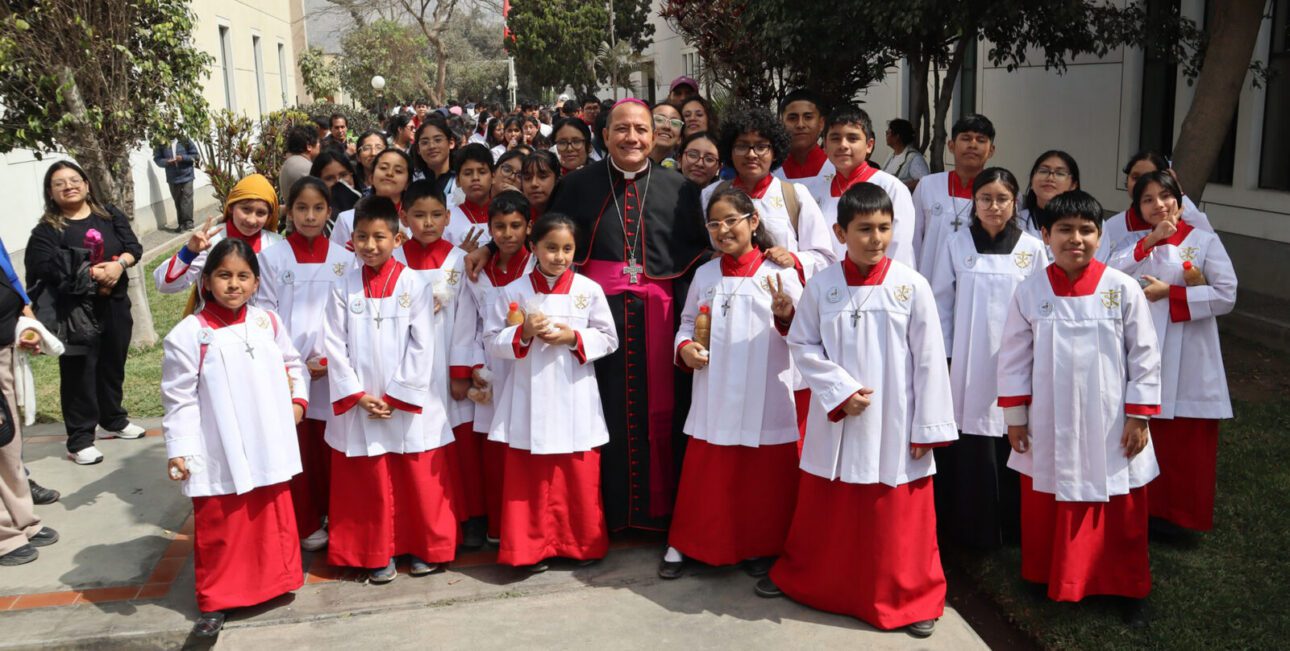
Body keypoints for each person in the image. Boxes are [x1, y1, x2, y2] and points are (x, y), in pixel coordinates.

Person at [469, 99, 711, 532]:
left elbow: (704, 247)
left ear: (654, 136)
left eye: (641, 129)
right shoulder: (579, 184)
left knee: (662, 410)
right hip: (592, 314)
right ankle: (608, 512)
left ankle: (657, 512)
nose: (632, 137)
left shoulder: (680, 190)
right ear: (605, 135)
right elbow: (540, 230)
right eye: (622, 129)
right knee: (602, 410)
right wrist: (489, 247)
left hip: (658, 314)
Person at [759, 183, 956, 638]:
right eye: (864, 229)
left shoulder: (912, 285)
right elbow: (803, 343)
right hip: (841, 416)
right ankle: (820, 585)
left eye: (884, 228)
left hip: (895, 419)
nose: (875, 238)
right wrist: (839, 389)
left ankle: (910, 597)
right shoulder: (823, 286)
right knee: (833, 509)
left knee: (897, 515)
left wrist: (927, 426)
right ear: (840, 232)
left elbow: (929, 360)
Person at [997, 189, 1160, 623]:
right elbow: (1013, 357)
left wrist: (1139, 416)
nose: (1076, 239)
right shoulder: (1029, 292)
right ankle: (1046, 575)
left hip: (1112, 422)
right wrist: (1015, 417)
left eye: (1086, 230)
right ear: (1046, 235)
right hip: (1050, 419)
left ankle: (1126, 588)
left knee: (1120, 504)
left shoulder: (1121, 288)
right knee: (1047, 497)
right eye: (1064, 230)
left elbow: (1145, 354)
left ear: (1099, 234)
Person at [161, 238, 308, 638]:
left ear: (257, 283)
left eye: (244, 276)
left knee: (268, 514)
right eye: (224, 275)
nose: (234, 285)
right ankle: (218, 598)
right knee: (222, 524)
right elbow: (178, 399)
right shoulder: (189, 334)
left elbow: (293, 364)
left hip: (266, 438)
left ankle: (275, 582)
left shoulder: (267, 323)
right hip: (217, 443)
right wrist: (180, 450)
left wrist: (298, 401)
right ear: (206, 281)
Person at [660, 187, 801, 580]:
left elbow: (806, 334)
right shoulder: (705, 273)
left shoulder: (780, 274)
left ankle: (761, 545)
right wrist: (684, 347)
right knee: (710, 474)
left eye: (731, 221)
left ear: (753, 222)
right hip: (716, 388)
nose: (723, 230)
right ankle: (693, 543)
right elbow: (688, 323)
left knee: (762, 478)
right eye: (714, 224)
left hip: (765, 389)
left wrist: (786, 314)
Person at [322, 196, 457, 584]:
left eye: (379, 237)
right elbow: (333, 343)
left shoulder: (414, 283)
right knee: (369, 481)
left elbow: (423, 343)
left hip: (407, 401)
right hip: (361, 402)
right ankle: (374, 552)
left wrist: (399, 395)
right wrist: (357, 395)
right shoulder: (343, 287)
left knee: (416, 478)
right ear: (352, 241)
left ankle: (420, 546)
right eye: (362, 237)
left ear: (397, 239)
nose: (370, 245)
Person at [485, 213, 618, 571]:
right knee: (530, 472)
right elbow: (491, 342)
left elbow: (609, 338)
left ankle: (579, 543)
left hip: (574, 392)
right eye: (551, 248)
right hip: (528, 393)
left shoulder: (588, 291)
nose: (559, 257)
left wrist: (572, 337)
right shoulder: (513, 292)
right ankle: (528, 549)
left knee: (576, 471)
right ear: (534, 247)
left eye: (567, 249)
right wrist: (523, 333)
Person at [1107, 171, 1235, 536]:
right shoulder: (1132, 242)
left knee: (1185, 438)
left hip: (1190, 348)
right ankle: (1140, 512)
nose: (1158, 204)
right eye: (1148, 199)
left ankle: (1181, 519)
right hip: (1142, 349)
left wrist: (1173, 295)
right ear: (1139, 208)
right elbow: (1108, 274)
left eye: (1165, 196)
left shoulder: (1205, 241)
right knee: (1140, 428)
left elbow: (1227, 295)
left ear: (1179, 200)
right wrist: (1149, 241)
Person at [929, 168, 1047, 550]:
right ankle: (969, 529)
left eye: (1002, 199)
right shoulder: (956, 244)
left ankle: (1011, 529)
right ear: (973, 203)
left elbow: (1042, 307)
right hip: (966, 360)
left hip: (1017, 358)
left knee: (1010, 436)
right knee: (972, 440)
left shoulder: (1031, 249)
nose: (994, 207)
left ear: (1015, 203)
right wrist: (945, 357)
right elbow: (941, 304)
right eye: (985, 199)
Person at [256, 177, 354, 553]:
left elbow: (350, 314)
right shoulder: (271, 258)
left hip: (336, 368)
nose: (310, 216)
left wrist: (333, 356)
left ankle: (340, 513)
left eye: (318, 208)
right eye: (301, 208)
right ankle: (307, 518)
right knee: (300, 447)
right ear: (288, 211)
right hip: (292, 369)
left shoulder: (345, 260)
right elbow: (266, 313)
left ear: (329, 211)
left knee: (336, 445)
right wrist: (292, 362)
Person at [26, 161, 146, 465]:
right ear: (50, 193)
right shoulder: (47, 231)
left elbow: (134, 246)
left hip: (115, 304)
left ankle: (113, 419)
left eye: (74, 179)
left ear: (86, 184)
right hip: (75, 312)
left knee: (112, 363)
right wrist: (91, 272)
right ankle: (79, 439)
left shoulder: (109, 214)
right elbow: (42, 267)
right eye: (59, 183)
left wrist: (120, 264)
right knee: (79, 373)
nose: (69, 186)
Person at [392, 181, 479, 546]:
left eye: (435, 216)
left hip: (447, 361)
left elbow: (468, 319)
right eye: (418, 216)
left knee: (460, 442)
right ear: (403, 217)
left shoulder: (460, 260)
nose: (427, 223)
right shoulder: (393, 260)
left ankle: (469, 515)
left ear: (448, 217)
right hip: (409, 364)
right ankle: (428, 516)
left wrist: (460, 372)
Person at [453, 191, 536, 543]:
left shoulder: (538, 265)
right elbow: (467, 323)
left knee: (526, 447)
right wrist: (469, 365)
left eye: (515, 226)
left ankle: (527, 526)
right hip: (488, 369)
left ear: (529, 227)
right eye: (499, 227)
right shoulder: (477, 270)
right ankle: (499, 526)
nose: (507, 234)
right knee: (494, 451)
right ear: (489, 229)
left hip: (527, 367)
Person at [701, 106, 836, 282]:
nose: (751, 154)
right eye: (742, 146)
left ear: (774, 152)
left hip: (782, 301)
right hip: (726, 295)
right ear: (730, 151)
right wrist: (712, 257)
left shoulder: (794, 195)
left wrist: (794, 259)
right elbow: (697, 249)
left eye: (761, 146)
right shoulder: (711, 194)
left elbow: (825, 258)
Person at [0, 236, 58, 566]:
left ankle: (21, 520)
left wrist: (24, 314)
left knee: (8, 442)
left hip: (5, 342)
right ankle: (5, 535)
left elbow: (6, 271)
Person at [818, 106, 916, 267]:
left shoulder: (890, 188)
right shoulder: (815, 191)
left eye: (852, 138)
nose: (843, 145)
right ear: (825, 146)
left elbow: (899, 250)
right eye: (835, 138)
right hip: (827, 286)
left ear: (869, 145)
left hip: (877, 286)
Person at [155, 174, 283, 297]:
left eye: (261, 213)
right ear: (231, 207)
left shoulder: (276, 245)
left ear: (269, 217)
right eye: (246, 209)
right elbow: (165, 285)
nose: (251, 220)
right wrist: (189, 252)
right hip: (215, 319)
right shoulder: (210, 241)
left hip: (262, 319)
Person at [913, 114, 997, 280]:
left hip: (975, 281)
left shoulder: (1000, 194)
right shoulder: (928, 185)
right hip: (929, 277)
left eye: (981, 140)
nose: (973, 145)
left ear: (991, 151)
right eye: (966, 138)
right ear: (951, 146)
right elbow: (913, 239)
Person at [1099, 151, 1213, 263]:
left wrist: (1177, 191)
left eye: (1149, 176)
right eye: (1135, 177)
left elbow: (1209, 238)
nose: (1142, 183)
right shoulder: (1112, 226)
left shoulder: (1187, 221)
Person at [330, 149, 412, 250]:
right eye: (383, 168)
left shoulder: (415, 221)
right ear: (371, 178)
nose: (390, 173)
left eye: (398, 171)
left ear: (407, 183)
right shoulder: (347, 219)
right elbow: (336, 261)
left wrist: (411, 250)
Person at [773, 89, 833, 201]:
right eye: (792, 118)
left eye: (808, 117)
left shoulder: (838, 171)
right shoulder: (770, 172)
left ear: (821, 123)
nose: (800, 124)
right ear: (781, 123)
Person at [1018, 150, 1081, 243]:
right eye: (1043, 171)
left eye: (1060, 173)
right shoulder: (1016, 221)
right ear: (1032, 180)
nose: (1050, 178)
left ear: (1073, 185)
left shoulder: (1089, 222)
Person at [446, 144, 494, 252]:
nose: (475, 178)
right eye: (468, 173)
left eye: (482, 172)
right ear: (458, 181)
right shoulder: (448, 220)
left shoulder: (505, 215)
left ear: (493, 176)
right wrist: (459, 254)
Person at [152, 136, 201, 232]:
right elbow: (157, 159)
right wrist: (166, 161)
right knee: (178, 200)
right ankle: (181, 224)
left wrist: (183, 158)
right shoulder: (161, 142)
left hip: (187, 174)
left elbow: (195, 156)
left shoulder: (185, 140)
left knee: (187, 198)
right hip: (172, 177)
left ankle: (188, 222)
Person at [309, 150, 361, 232]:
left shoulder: (368, 209)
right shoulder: (312, 220)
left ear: (352, 175)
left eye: (343, 175)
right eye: (329, 178)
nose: (338, 182)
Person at [881, 119, 930, 192]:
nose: (886, 135)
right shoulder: (891, 156)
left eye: (888, 132)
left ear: (897, 136)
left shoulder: (914, 158)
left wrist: (900, 187)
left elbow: (925, 181)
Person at [279, 125, 319, 202]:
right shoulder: (306, 168)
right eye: (318, 142)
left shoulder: (289, 163)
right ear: (309, 146)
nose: (320, 146)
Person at [521, 151, 560, 222]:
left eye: (542, 177)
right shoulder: (519, 216)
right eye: (527, 178)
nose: (534, 184)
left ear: (557, 179)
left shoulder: (569, 215)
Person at [651, 102, 684, 169]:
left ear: (679, 139)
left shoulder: (680, 176)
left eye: (675, 123)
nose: (667, 126)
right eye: (659, 119)